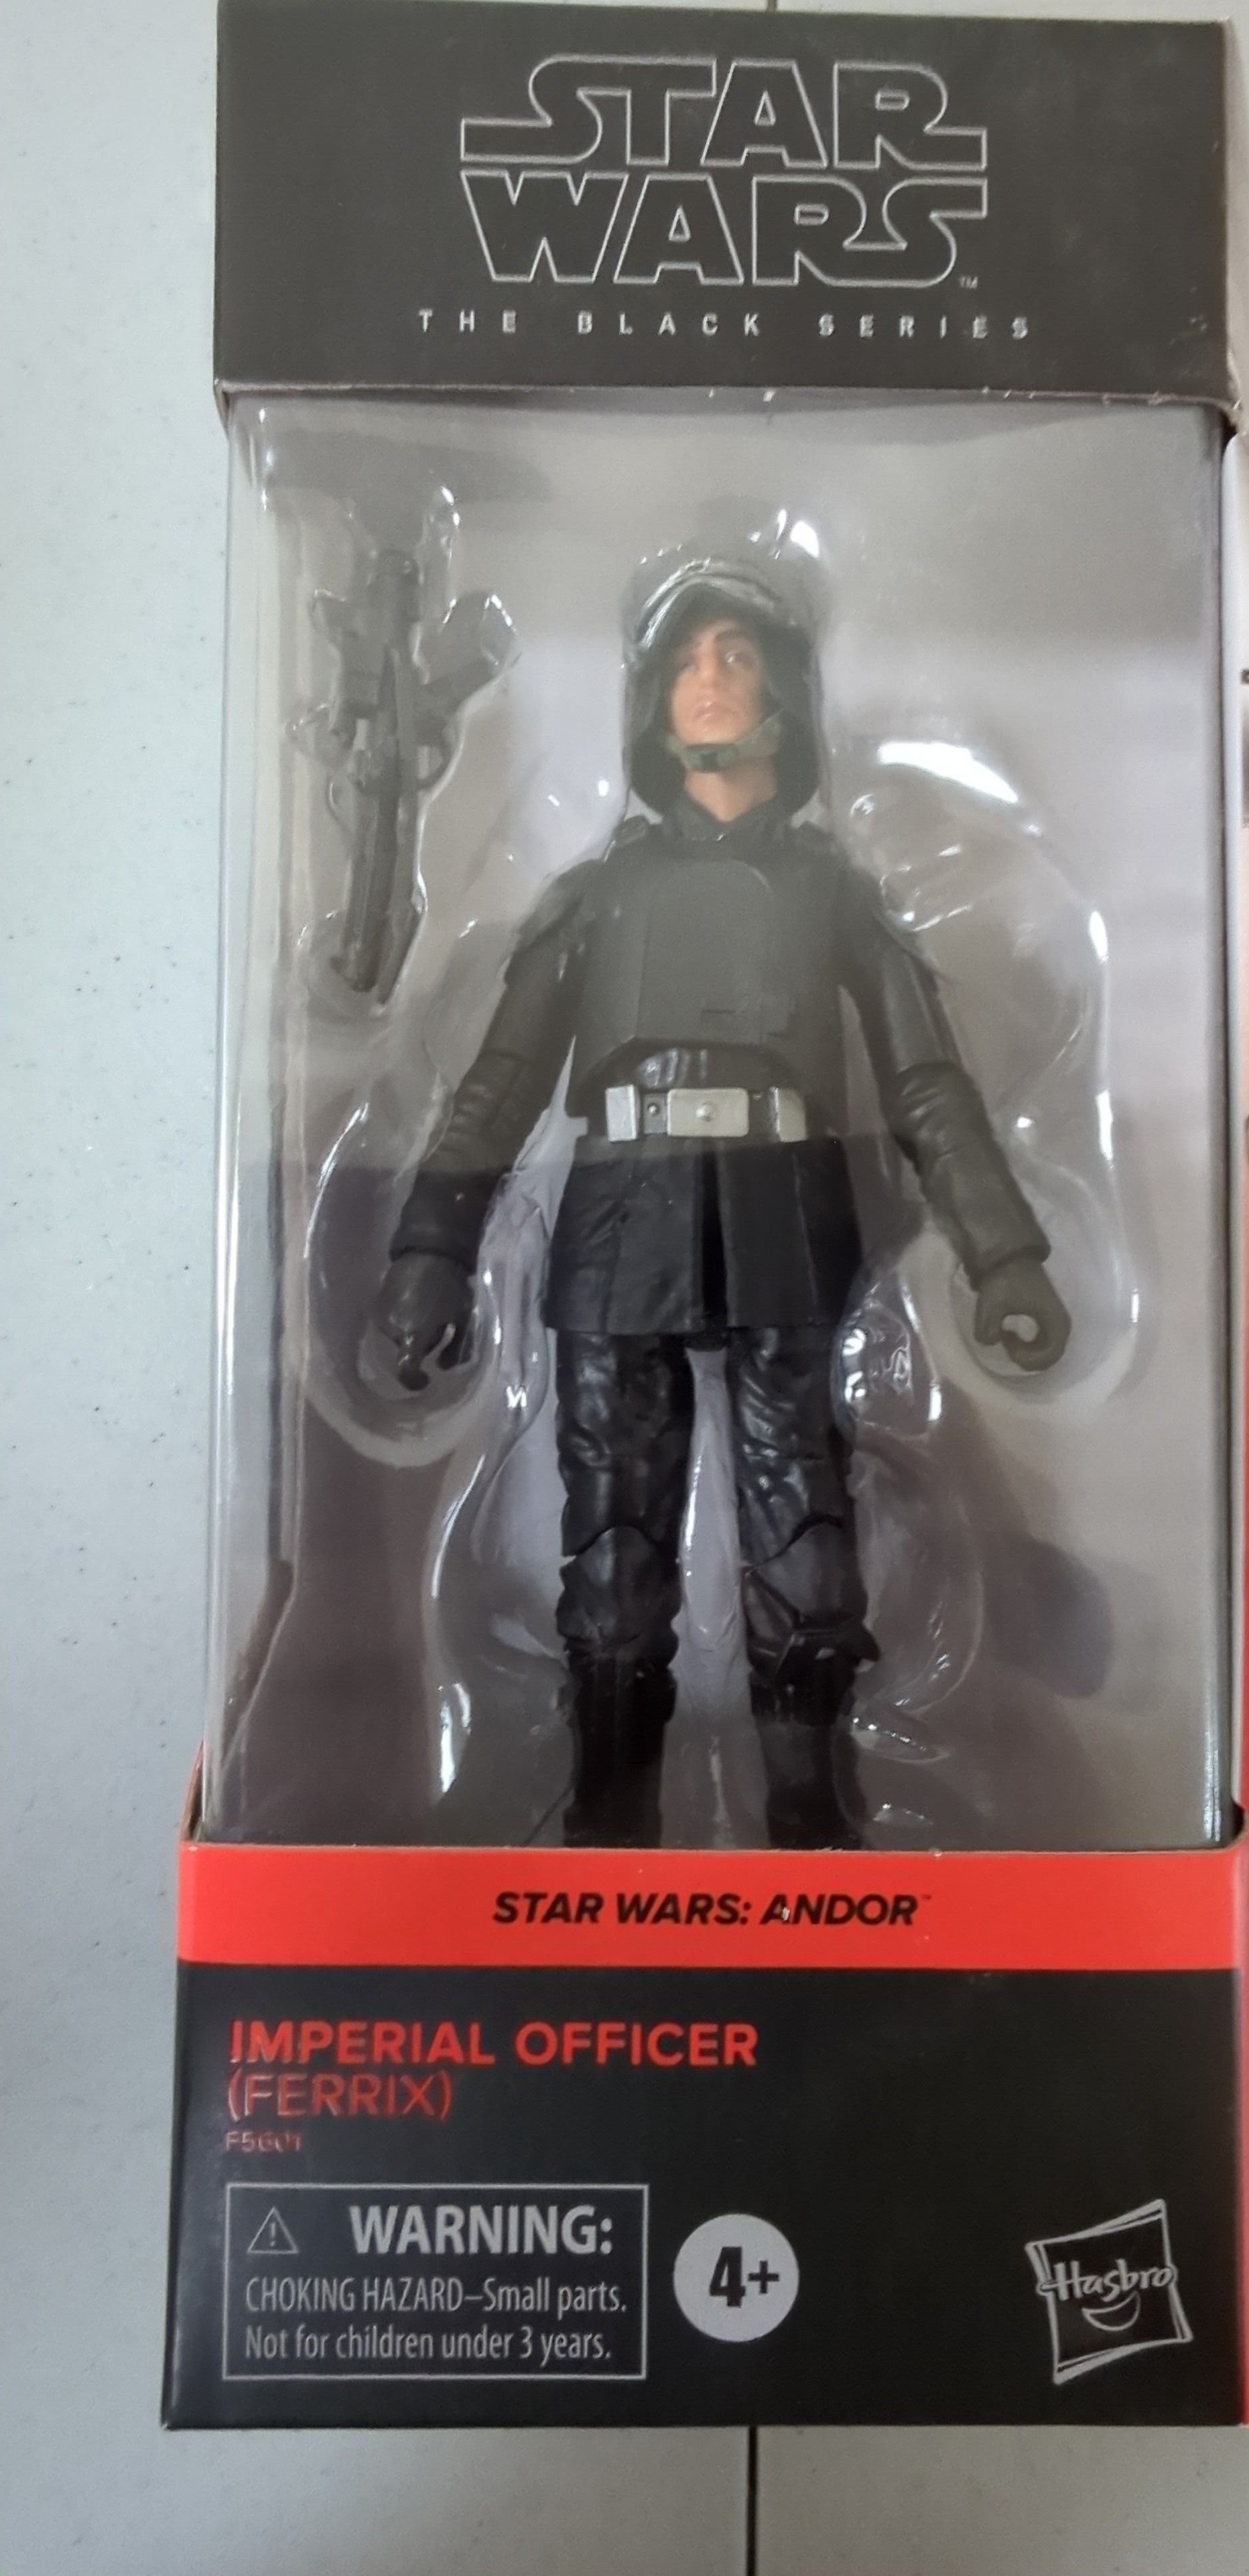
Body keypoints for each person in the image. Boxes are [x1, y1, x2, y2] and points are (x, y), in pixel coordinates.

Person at [375, 549, 1068, 1848]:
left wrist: (1003, 1256)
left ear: (786, 695)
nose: (710, 677)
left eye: (737, 654)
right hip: (619, 1214)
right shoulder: (596, 898)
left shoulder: (835, 896)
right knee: (612, 1553)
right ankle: (609, 1817)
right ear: (650, 700)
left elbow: (927, 1087)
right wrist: (431, 1251)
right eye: (688, 659)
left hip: (781, 1211)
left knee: (804, 1537)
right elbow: (497, 1090)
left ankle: (813, 1810)